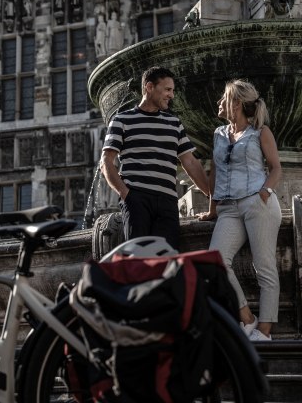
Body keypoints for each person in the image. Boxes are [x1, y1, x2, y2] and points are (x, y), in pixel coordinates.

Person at [198, 80, 282, 341]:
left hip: (258, 203)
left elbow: (276, 167)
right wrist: (212, 209)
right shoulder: (218, 134)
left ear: (236, 103)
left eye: (224, 99)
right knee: (216, 260)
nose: (219, 103)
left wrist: (264, 193)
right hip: (228, 208)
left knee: (264, 267)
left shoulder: (260, 132)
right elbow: (214, 175)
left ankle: (264, 332)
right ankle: (247, 318)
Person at [101, 66, 210, 251]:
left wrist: (212, 195)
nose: (172, 95)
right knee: (139, 261)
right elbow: (106, 162)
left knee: (168, 261)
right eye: (167, 89)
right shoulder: (121, 120)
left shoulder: (174, 124)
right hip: (137, 200)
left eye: (173, 90)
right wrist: (126, 194)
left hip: (168, 201)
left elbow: (190, 162)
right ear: (149, 87)